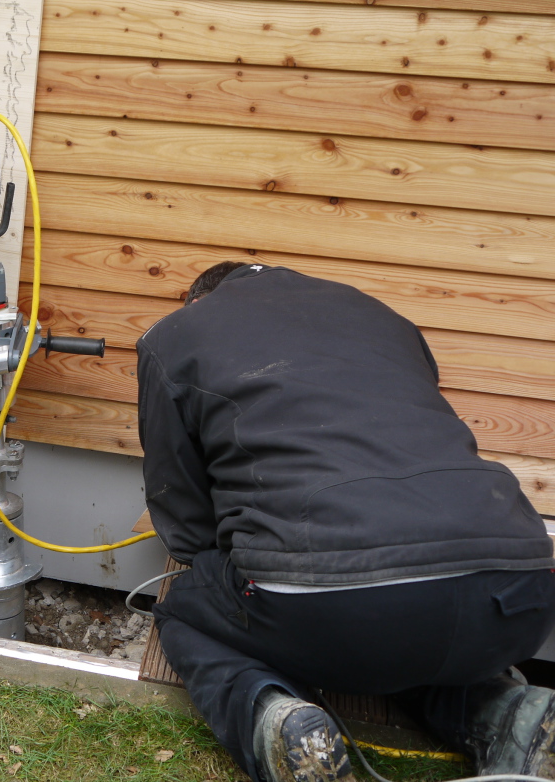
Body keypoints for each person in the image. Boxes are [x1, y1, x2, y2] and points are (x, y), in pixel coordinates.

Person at [136, 261, 555, 782]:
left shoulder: (177, 335)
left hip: (341, 607)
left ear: (198, 301)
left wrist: (237, 548)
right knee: (400, 626)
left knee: (184, 606)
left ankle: (273, 720)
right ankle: (509, 712)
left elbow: (188, 526)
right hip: (519, 590)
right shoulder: (382, 316)